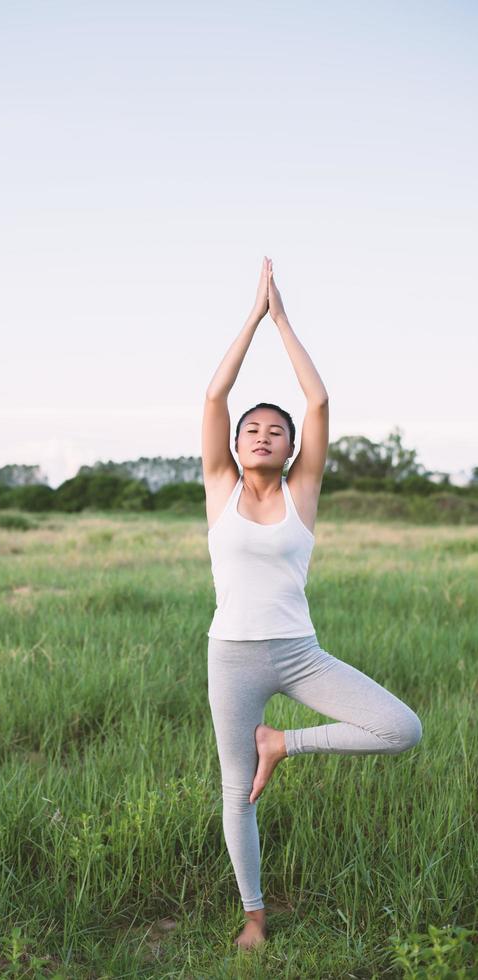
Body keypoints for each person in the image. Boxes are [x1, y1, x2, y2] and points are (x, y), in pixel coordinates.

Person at [201, 256, 422, 950]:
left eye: (276, 429)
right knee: (237, 790)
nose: (261, 434)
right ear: (236, 448)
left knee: (401, 728)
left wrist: (284, 321)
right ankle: (254, 917)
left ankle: (283, 744)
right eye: (251, 430)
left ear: (294, 448)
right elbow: (213, 398)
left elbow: (319, 401)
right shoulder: (220, 489)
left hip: (299, 654)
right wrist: (251, 318)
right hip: (233, 656)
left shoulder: (302, 495)